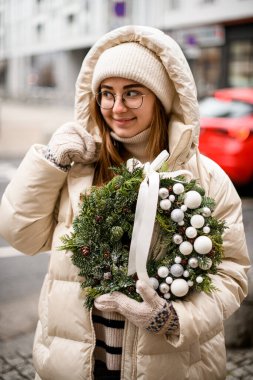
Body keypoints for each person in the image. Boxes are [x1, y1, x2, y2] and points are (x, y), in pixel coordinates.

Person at [0, 25, 250, 380]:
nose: (116, 107)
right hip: (76, 362)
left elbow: (233, 273)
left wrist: (174, 318)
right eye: (106, 93)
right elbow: (20, 234)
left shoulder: (203, 180)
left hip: (169, 366)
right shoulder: (77, 168)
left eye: (132, 93)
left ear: (159, 99)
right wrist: (50, 162)